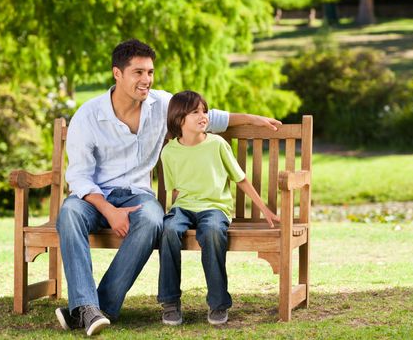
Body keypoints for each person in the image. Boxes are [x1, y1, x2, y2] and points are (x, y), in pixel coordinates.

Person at [54, 39, 282, 336]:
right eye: (138, 72)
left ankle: (97, 309)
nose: (146, 80)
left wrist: (251, 118)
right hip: (94, 198)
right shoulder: (88, 115)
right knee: (69, 212)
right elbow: (80, 178)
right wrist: (109, 210)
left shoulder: (161, 104)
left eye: (150, 72)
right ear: (117, 74)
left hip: (138, 195)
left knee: (152, 221)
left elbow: (206, 118)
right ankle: (87, 306)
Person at [157, 90, 279, 326]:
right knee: (169, 231)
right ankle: (170, 302)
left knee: (212, 232)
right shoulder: (169, 152)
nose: (203, 115)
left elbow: (240, 179)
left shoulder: (217, 144)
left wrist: (264, 209)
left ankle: (218, 303)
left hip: (215, 208)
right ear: (179, 118)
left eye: (204, 110)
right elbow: (175, 192)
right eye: (195, 112)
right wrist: (174, 217)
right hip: (184, 208)